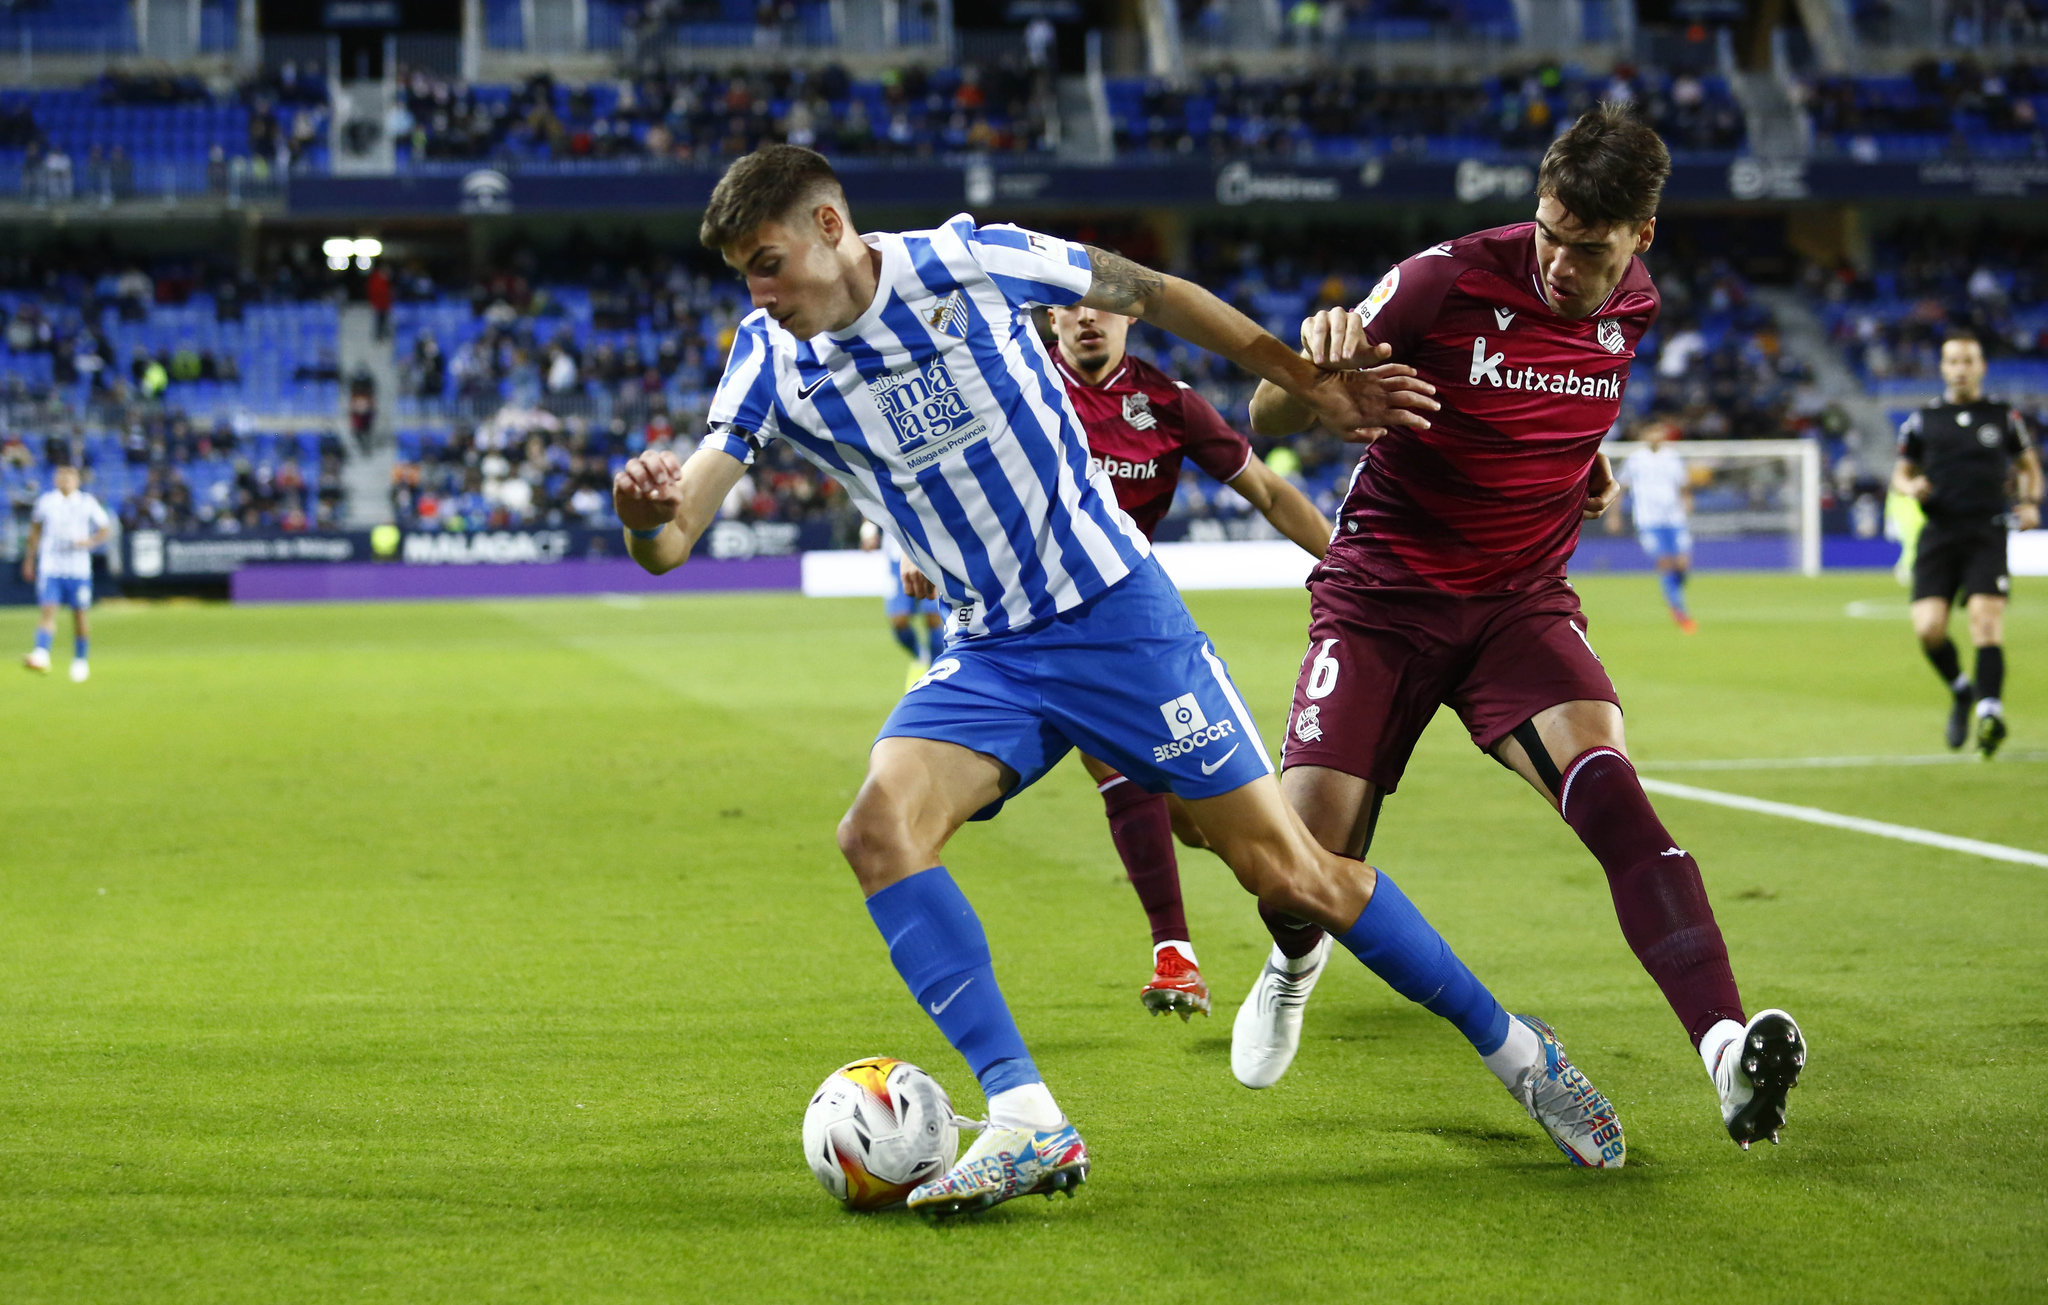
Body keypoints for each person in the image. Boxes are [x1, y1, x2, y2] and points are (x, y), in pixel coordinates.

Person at [614, 145, 1627, 1216]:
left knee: (1298, 881)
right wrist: (643, 516)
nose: (757, 293)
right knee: (876, 830)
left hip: (1116, 623)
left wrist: (1307, 384)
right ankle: (1024, 1118)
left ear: (829, 229)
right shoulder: (767, 360)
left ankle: (1521, 1054)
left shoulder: (968, 261)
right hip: (990, 651)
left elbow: (1160, 296)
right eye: (741, 275)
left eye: (765, 263)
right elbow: (676, 535)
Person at [1242, 105, 1806, 1152]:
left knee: (1609, 787)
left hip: (1517, 600)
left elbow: (1569, 397)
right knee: (1296, 868)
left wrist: (1574, 464)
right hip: (1379, 598)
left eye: (1585, 248)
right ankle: (1290, 963)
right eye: (1546, 232)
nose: (1556, 263)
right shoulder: (1439, 281)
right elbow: (1260, 417)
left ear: (1640, 237)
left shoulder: (1633, 304)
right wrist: (1313, 376)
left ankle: (1724, 1047)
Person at [1040, 298, 1336, 1019]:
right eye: (1072, 307)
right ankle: (1176, 954)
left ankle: (1311, 887)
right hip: (1043, 619)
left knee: (1197, 824)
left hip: (1131, 614)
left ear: (1131, 317)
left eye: (1105, 307)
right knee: (1108, 759)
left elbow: (1266, 490)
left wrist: (1349, 566)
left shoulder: (1167, 402)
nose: (1089, 319)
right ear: (1049, 319)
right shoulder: (1020, 388)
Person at [1891, 330, 2042, 757]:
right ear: (1942, 368)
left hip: (1986, 531)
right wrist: (1910, 484)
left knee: (1985, 619)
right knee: (1928, 628)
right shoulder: (1923, 420)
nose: (1960, 369)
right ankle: (1962, 690)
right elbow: (1899, 473)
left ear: (1981, 367)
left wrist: (2030, 503)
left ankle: (1989, 711)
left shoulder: (2003, 417)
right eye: (1952, 361)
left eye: (1968, 361)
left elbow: (2029, 466)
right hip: (1938, 533)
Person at [21, 464, 112, 683]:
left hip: (77, 568)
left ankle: (80, 659)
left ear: (77, 481)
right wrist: (29, 559)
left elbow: (105, 528)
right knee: (48, 609)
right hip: (51, 566)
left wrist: (90, 541)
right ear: (55, 480)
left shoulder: (86, 502)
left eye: (68, 477)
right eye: (60, 477)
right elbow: (35, 530)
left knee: (79, 614)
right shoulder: (46, 502)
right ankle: (42, 654)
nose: (64, 481)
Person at [1618, 419, 1697, 632]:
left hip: (1675, 518)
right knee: (1665, 562)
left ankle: (1675, 597)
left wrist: (1688, 500)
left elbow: (1684, 484)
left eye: (1658, 430)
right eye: (1651, 431)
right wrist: (1613, 515)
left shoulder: (1673, 456)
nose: (1655, 435)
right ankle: (1678, 609)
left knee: (1682, 563)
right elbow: (1621, 486)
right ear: (1644, 435)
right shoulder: (1635, 459)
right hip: (1648, 520)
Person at [859, 517, 946, 684]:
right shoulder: (889, 489)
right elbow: (871, 499)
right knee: (898, 620)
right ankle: (922, 657)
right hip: (896, 558)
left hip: (930, 553)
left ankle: (937, 672)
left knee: (934, 618)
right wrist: (868, 530)